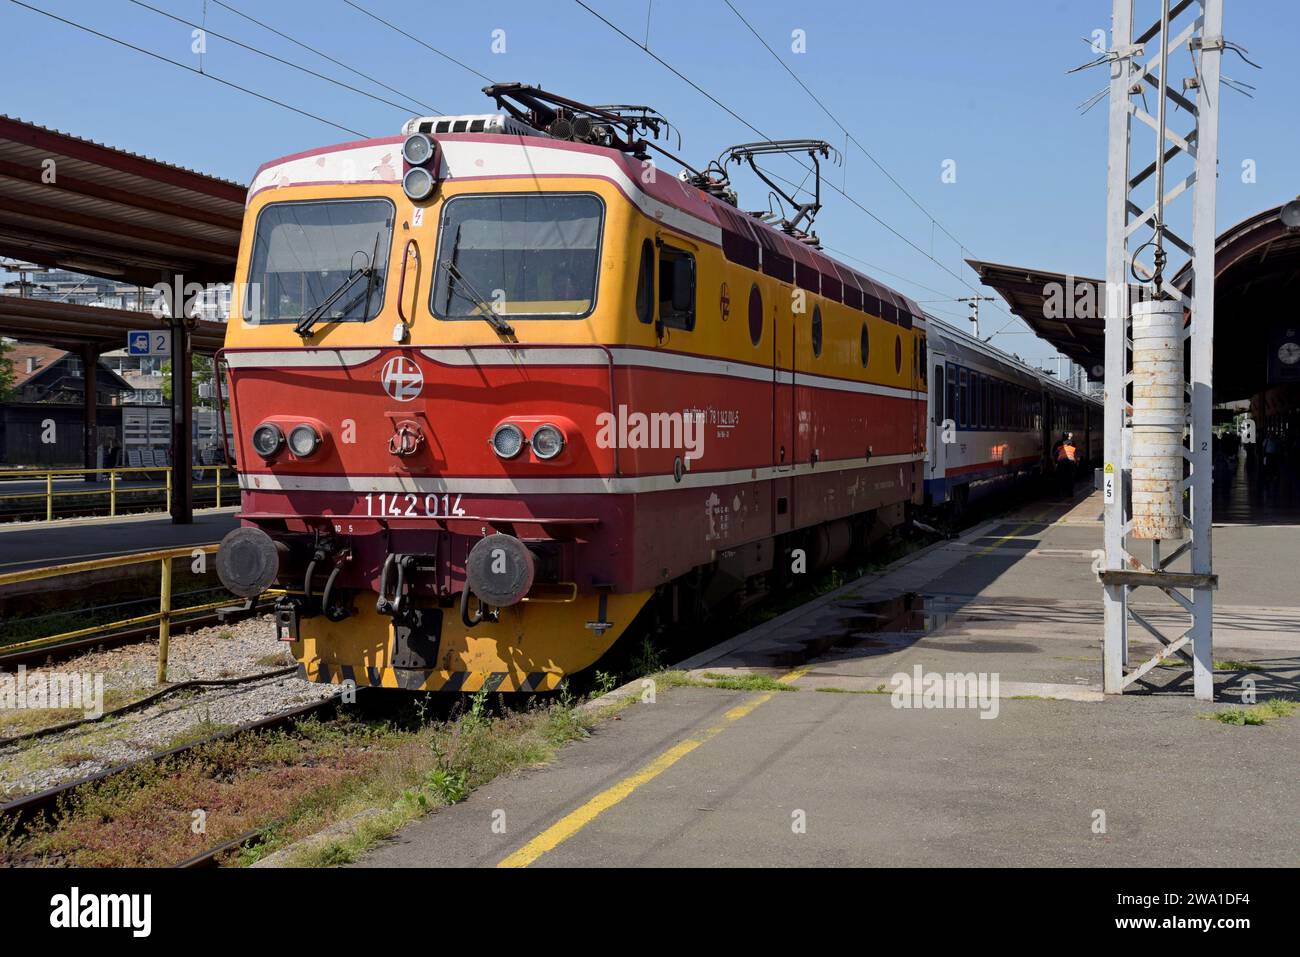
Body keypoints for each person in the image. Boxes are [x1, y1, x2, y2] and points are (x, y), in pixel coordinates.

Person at [1055, 432, 1078, 497]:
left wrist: (1055, 463)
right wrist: (1076, 462)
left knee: (1060, 477)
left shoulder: (1058, 443)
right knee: (1070, 478)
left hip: (1061, 462)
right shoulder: (1072, 443)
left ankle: (1059, 492)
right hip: (1071, 462)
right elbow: (1075, 453)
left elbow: (1055, 454)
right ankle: (1070, 493)